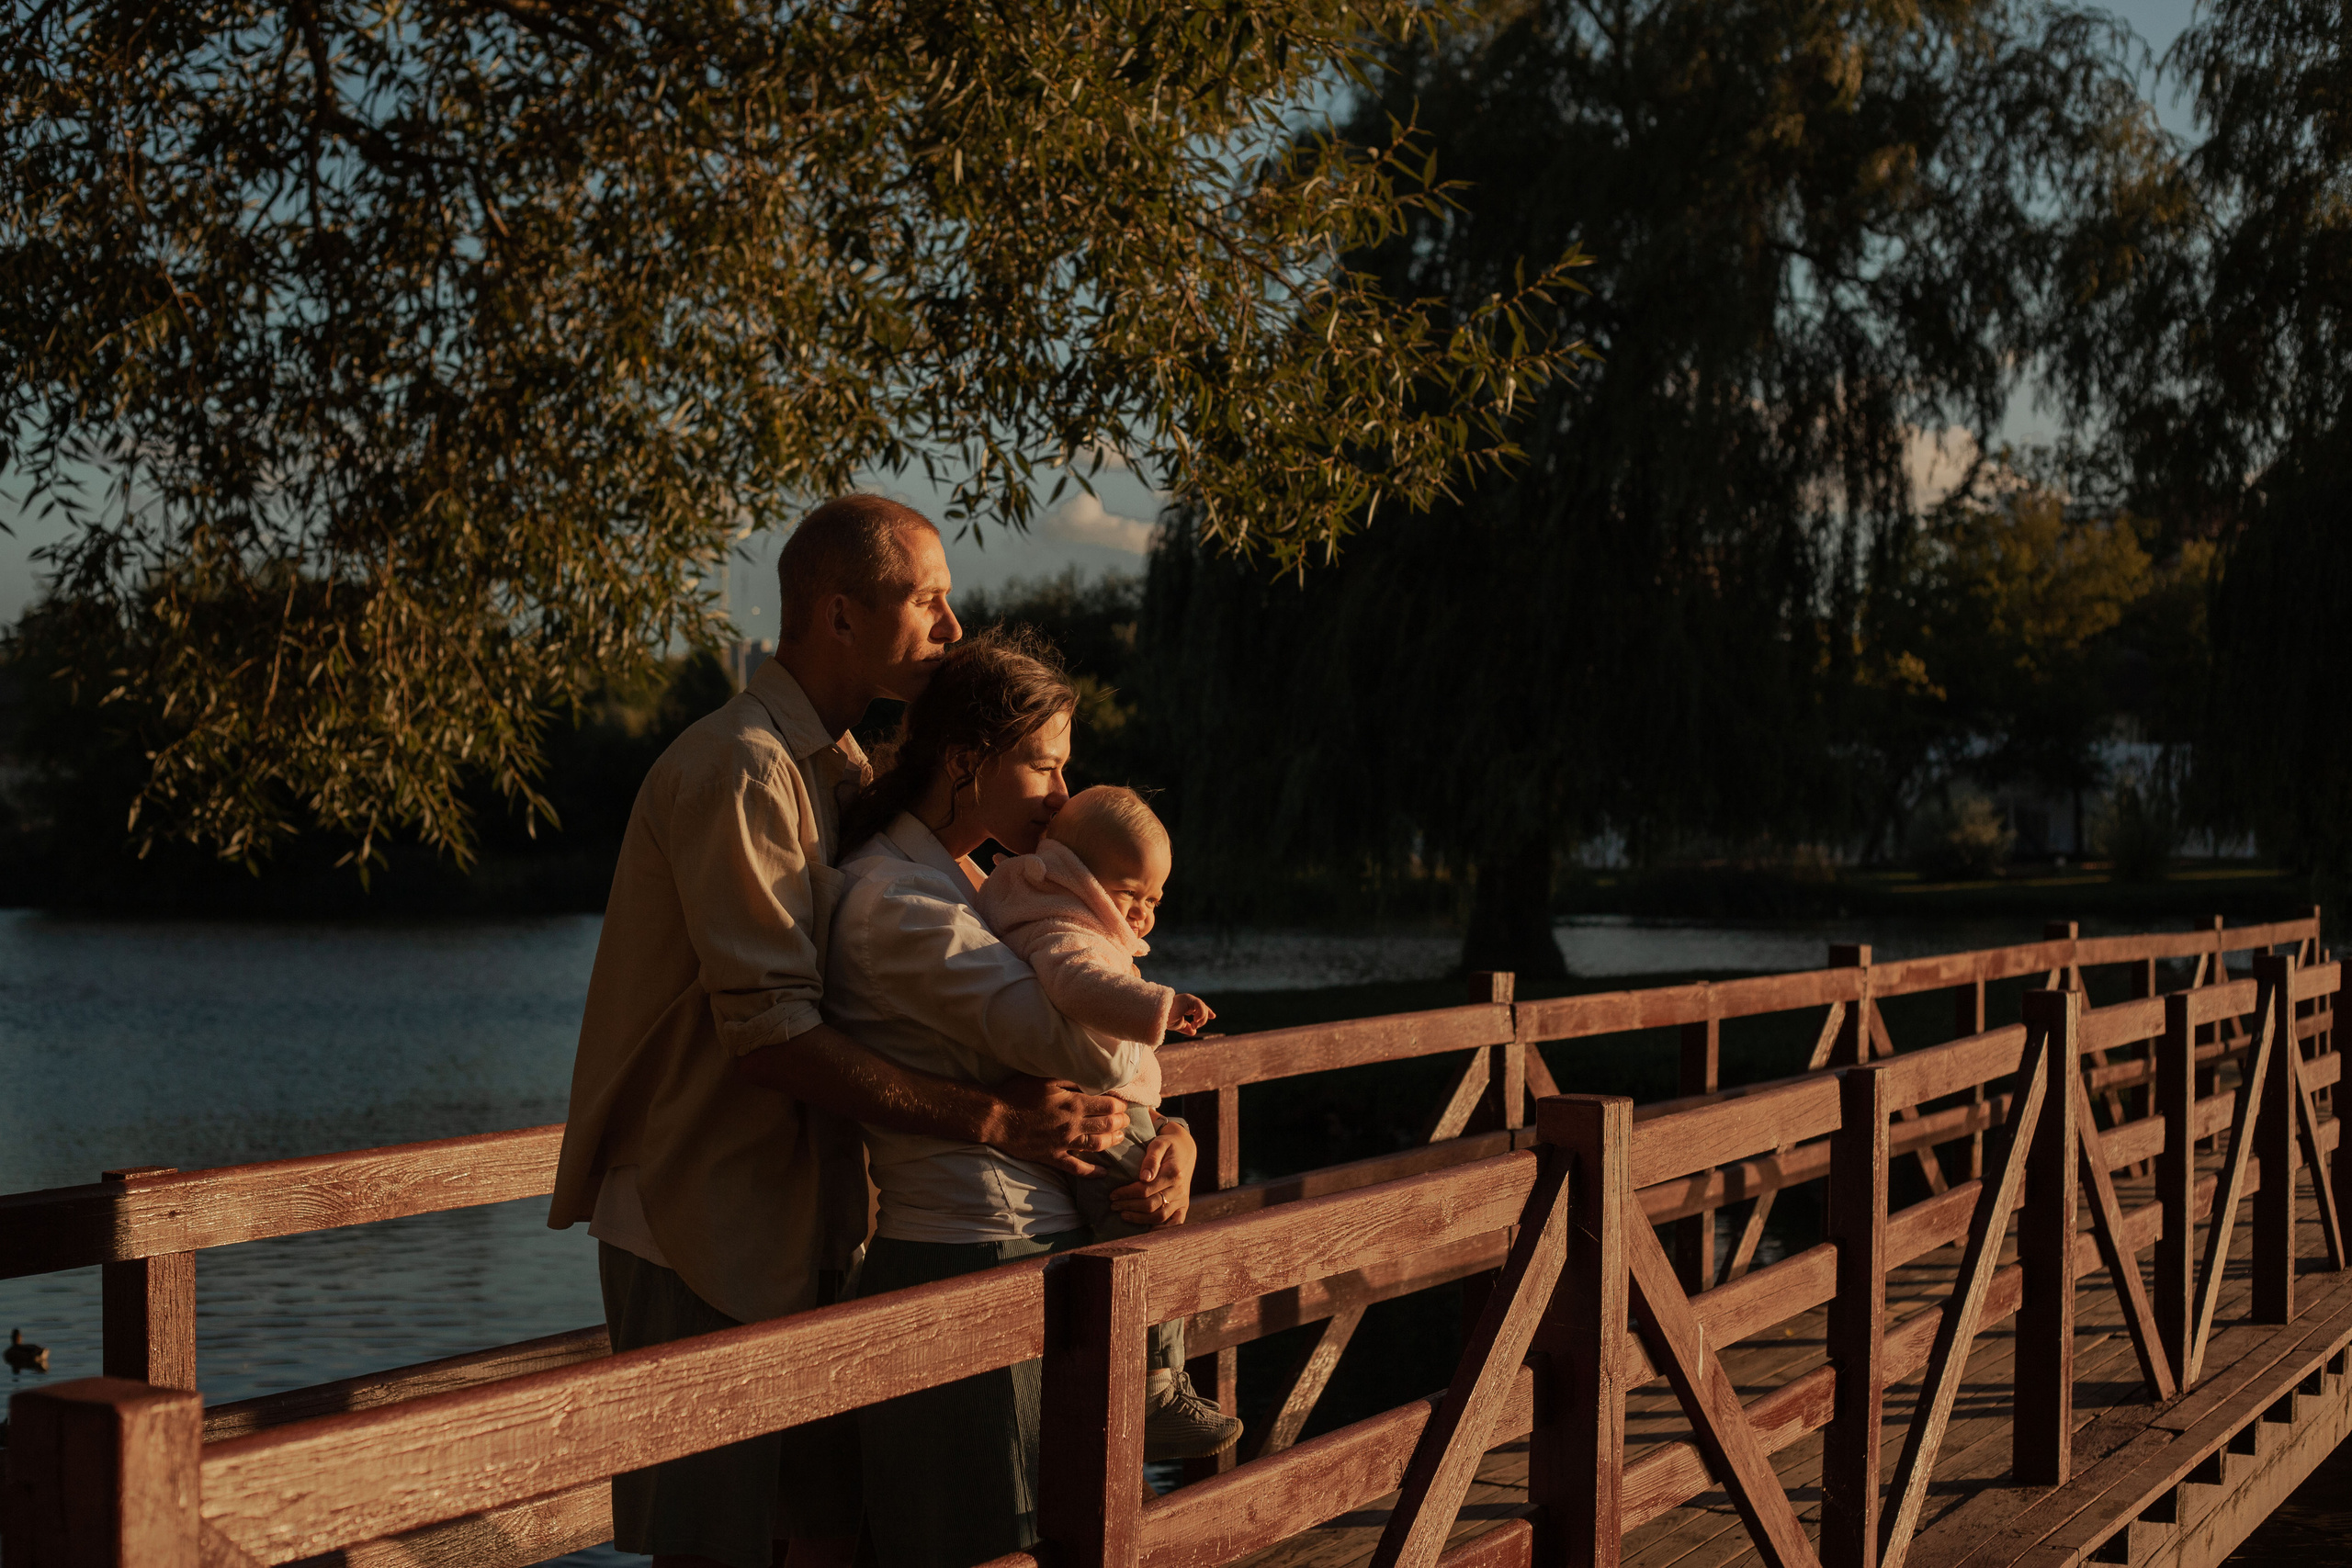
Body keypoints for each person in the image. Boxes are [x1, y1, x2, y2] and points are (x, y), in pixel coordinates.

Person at [548, 496, 1131, 1568]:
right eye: (928, 602)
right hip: (701, 1214)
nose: (954, 630)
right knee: (718, 1549)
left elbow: (977, 972)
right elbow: (766, 1037)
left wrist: (1141, 1127)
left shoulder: (845, 772)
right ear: (839, 616)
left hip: (815, 1217)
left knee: (827, 1536)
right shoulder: (740, 768)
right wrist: (997, 1120)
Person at [822, 629, 1201, 1568]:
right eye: (1045, 766)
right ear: (963, 762)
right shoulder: (893, 903)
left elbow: (1081, 1051)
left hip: (1039, 1244)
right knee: (987, 1551)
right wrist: (1145, 1094)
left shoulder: (976, 887)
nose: (1065, 797)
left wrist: (1176, 1136)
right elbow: (1091, 1054)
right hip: (965, 1250)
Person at [973, 784, 1241, 1459]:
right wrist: (1160, 1005)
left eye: (1155, 900)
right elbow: (1078, 986)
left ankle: (1156, 1379)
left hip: (1111, 1113)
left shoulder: (1056, 909)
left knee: (1154, 1222)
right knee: (1148, 1225)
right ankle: (1151, 1386)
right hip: (1101, 1120)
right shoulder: (1063, 927)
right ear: (1078, 874)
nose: (1144, 914)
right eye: (1131, 894)